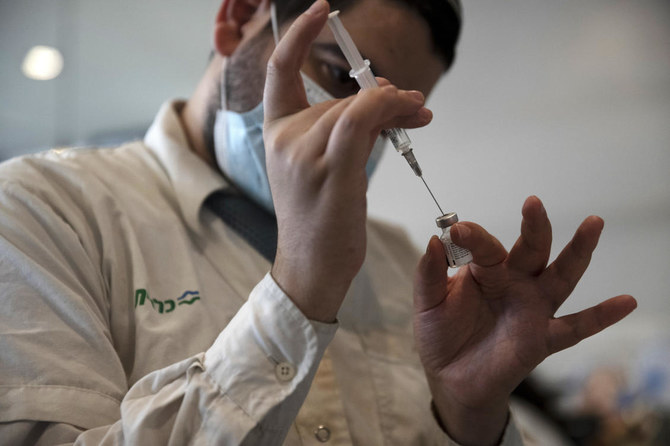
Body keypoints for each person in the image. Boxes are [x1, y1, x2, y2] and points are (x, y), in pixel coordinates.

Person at [0, 0, 637, 444]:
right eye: (341, 76)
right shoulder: (44, 211)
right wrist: (300, 289)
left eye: (392, 121)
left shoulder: (399, 266)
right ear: (236, 19)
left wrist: (469, 419)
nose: (359, 128)